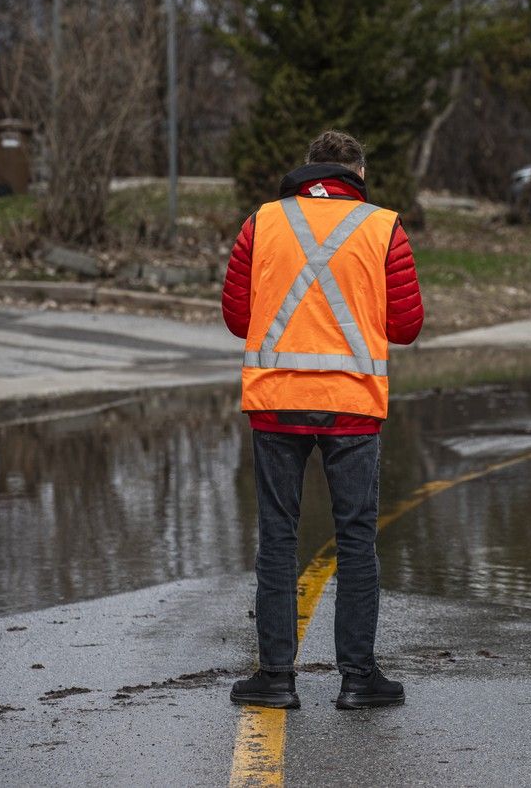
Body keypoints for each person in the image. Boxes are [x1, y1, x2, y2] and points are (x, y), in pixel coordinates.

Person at [221, 129, 424, 710]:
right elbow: (407, 326)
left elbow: (238, 317)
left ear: (307, 171)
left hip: (275, 402)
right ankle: (359, 679)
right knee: (357, 539)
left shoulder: (262, 223)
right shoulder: (383, 226)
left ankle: (276, 680)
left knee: (278, 538)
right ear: (356, 176)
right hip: (353, 407)